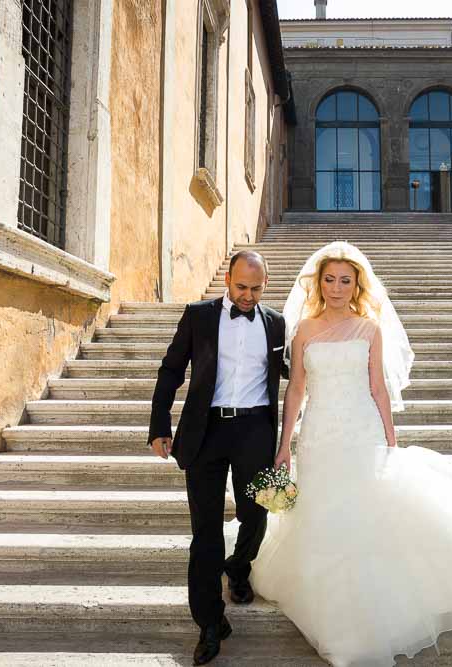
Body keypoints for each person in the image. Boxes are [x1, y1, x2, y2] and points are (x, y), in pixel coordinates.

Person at [227, 241, 452, 667]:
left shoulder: (369, 328)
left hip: (361, 431)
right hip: (319, 434)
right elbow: (296, 389)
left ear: (357, 285)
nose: (336, 287)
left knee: (364, 517)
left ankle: (364, 615)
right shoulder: (303, 330)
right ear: (318, 283)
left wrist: (390, 440)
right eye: (329, 279)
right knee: (323, 519)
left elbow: (378, 389)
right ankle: (334, 611)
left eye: (345, 280)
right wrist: (285, 446)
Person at [148, 249, 288, 665]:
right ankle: (209, 623)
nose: (248, 296)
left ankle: (239, 567)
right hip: (205, 433)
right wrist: (159, 426)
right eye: (241, 287)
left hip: (257, 431)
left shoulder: (277, 322)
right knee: (204, 533)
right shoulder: (199, 315)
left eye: (256, 288)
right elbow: (170, 369)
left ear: (266, 284)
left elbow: (293, 373)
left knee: (267, 510)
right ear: (228, 280)